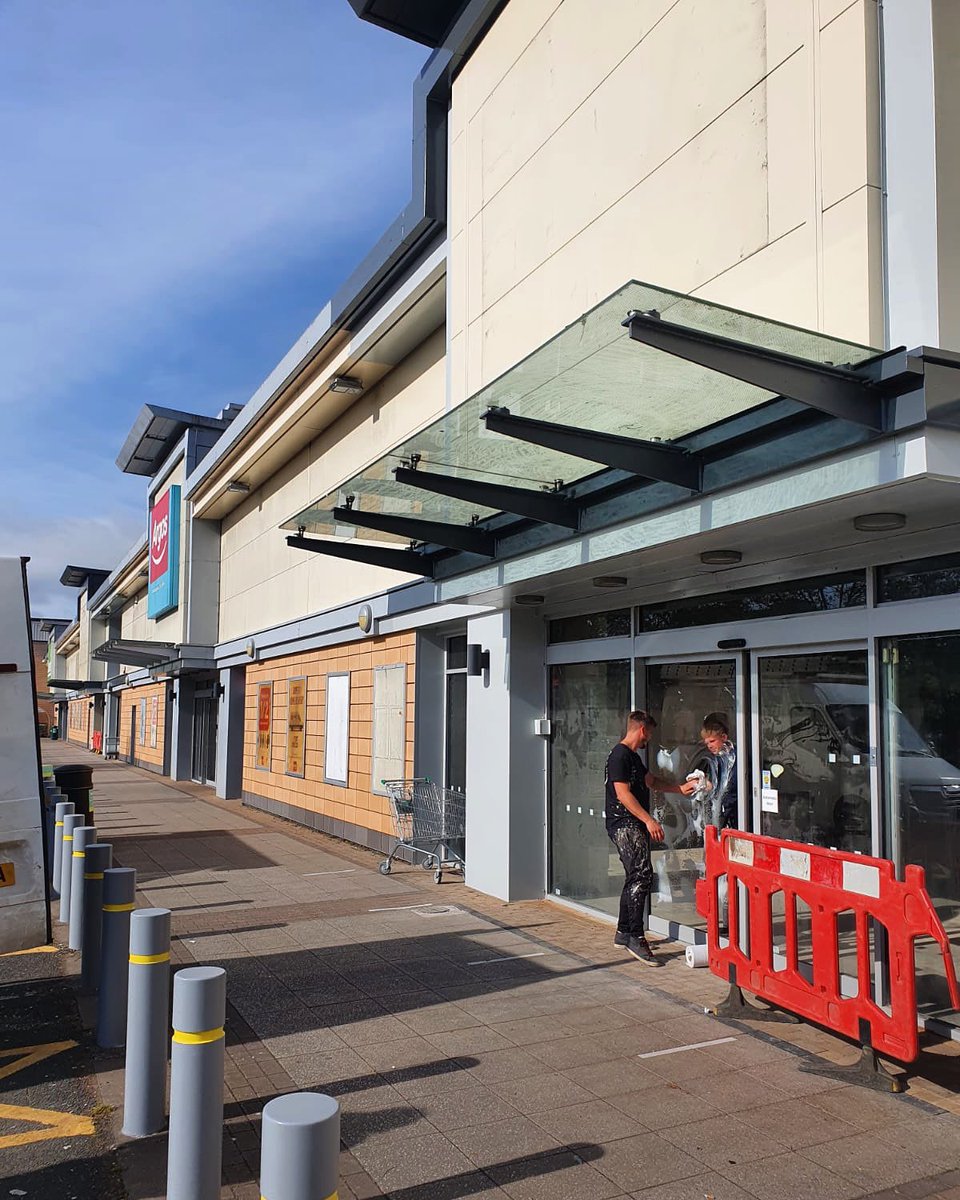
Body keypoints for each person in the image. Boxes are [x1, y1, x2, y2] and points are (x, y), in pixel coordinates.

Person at [605, 710, 698, 965]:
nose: (650, 739)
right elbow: (622, 794)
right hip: (624, 823)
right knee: (642, 874)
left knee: (635, 874)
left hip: (632, 823)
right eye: (650, 733)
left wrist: (678, 788)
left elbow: (651, 781)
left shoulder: (633, 758)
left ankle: (624, 931)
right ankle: (635, 935)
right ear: (642, 730)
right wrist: (648, 820)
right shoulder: (619, 755)